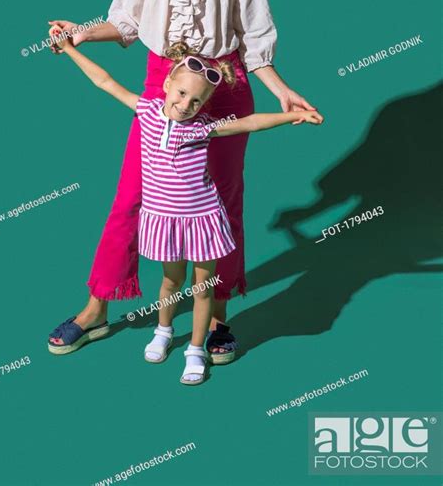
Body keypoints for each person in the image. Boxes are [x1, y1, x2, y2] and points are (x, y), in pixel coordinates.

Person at [47, 0, 320, 362]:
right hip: (162, 80)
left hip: (226, 83)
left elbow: (255, 36)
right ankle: (97, 307)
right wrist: (80, 33)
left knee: (222, 204)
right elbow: (126, 18)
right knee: (131, 195)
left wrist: (283, 94)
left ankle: (217, 314)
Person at [48, 28, 323, 384]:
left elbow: (249, 122)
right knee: (170, 282)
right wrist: (70, 48)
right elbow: (104, 81)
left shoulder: (203, 127)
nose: (184, 105)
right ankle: (162, 332)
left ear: (205, 104)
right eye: (180, 94)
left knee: (202, 288)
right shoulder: (147, 111)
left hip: (202, 221)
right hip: (164, 220)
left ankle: (195, 350)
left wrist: (292, 116)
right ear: (165, 85)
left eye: (196, 101)